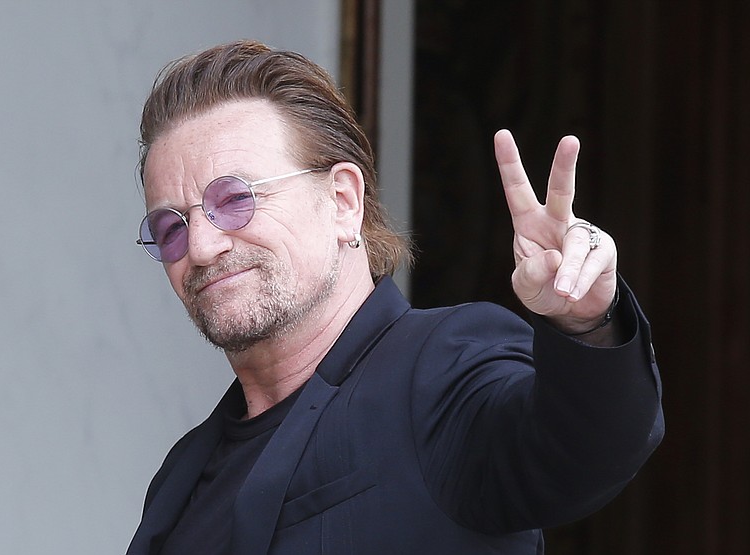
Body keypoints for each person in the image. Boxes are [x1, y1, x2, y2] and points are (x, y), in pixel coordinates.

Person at [126, 40, 663, 555]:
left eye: (234, 199)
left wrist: (586, 320)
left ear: (342, 201)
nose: (200, 246)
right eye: (170, 228)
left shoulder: (441, 367)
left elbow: (585, 451)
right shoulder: (183, 475)